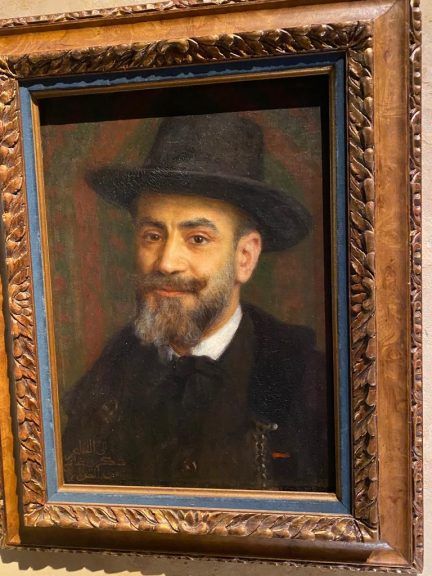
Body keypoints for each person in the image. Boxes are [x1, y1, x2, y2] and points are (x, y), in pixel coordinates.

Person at [62, 114, 333, 491]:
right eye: (153, 235)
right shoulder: (104, 384)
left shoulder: (306, 382)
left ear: (245, 257)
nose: (166, 263)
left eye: (198, 239)